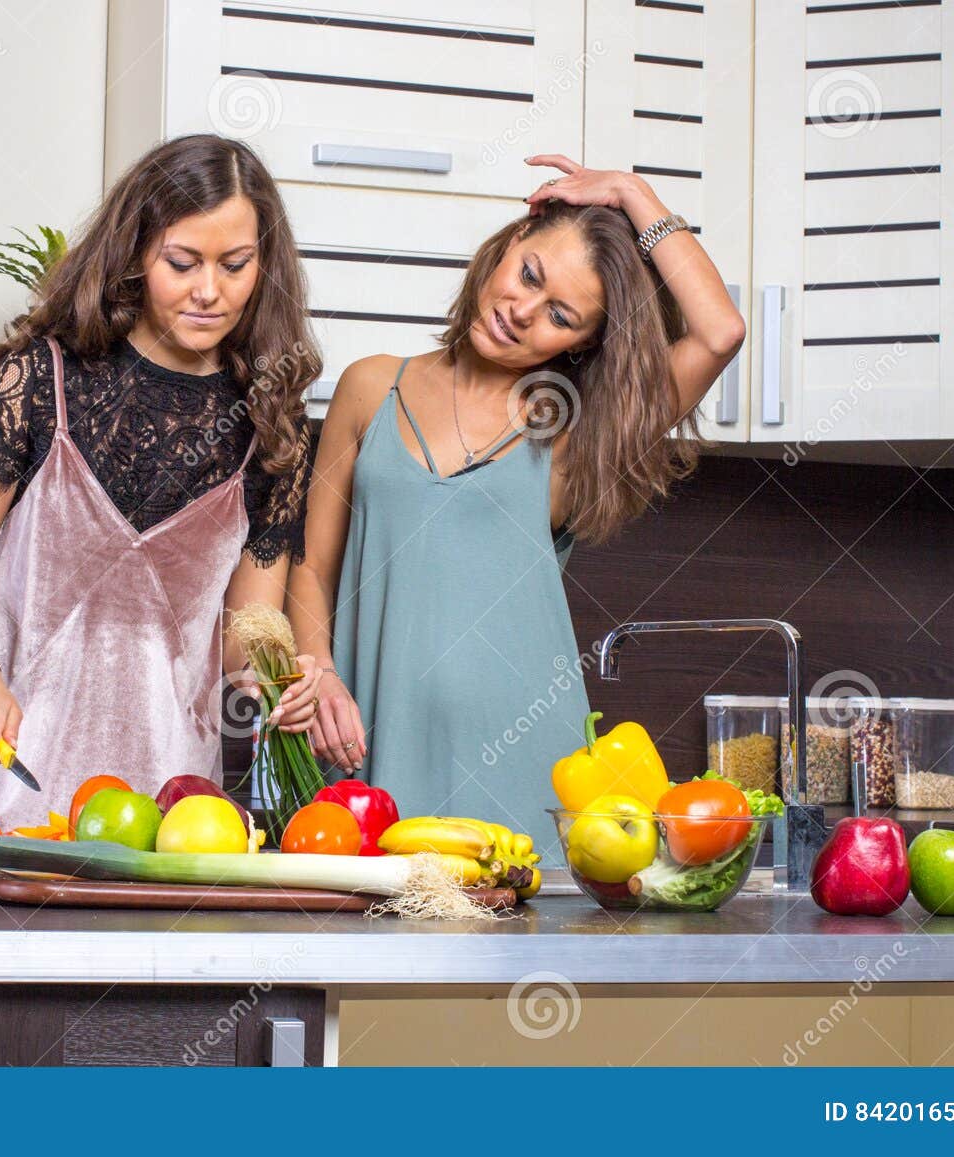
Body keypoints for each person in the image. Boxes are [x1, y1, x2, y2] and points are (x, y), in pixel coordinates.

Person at [287, 155, 745, 856]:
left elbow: (719, 333)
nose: (521, 311)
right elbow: (312, 567)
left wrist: (634, 192)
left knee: (512, 965)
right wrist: (316, 670)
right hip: (368, 765)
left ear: (584, 343)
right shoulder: (369, 388)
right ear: (505, 247)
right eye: (529, 274)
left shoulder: (573, 436)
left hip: (524, 786)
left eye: (560, 315)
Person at [0, 134, 325, 834]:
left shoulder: (271, 423)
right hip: (9, 785)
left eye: (235, 265)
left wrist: (280, 670)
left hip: (168, 806)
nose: (209, 290)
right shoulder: (43, 378)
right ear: (136, 253)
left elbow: (238, 634)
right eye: (182, 262)